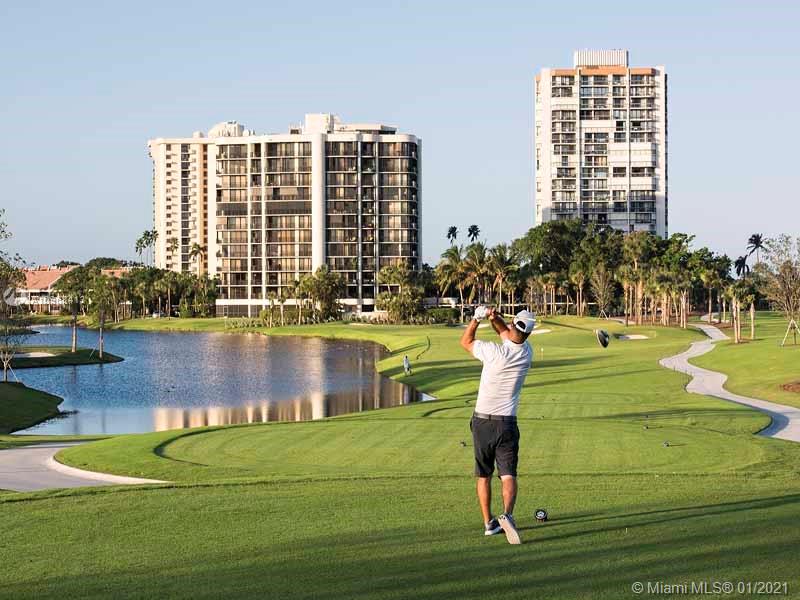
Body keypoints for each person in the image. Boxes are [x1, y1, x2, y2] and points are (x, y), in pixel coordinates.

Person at [459, 306, 536, 545]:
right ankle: (508, 515)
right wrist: (495, 318)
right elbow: (507, 333)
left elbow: (466, 342)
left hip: (483, 421)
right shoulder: (527, 352)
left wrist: (477, 318)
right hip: (507, 424)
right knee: (508, 474)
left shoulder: (494, 352)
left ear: (514, 326)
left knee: (484, 475)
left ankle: (488, 524)